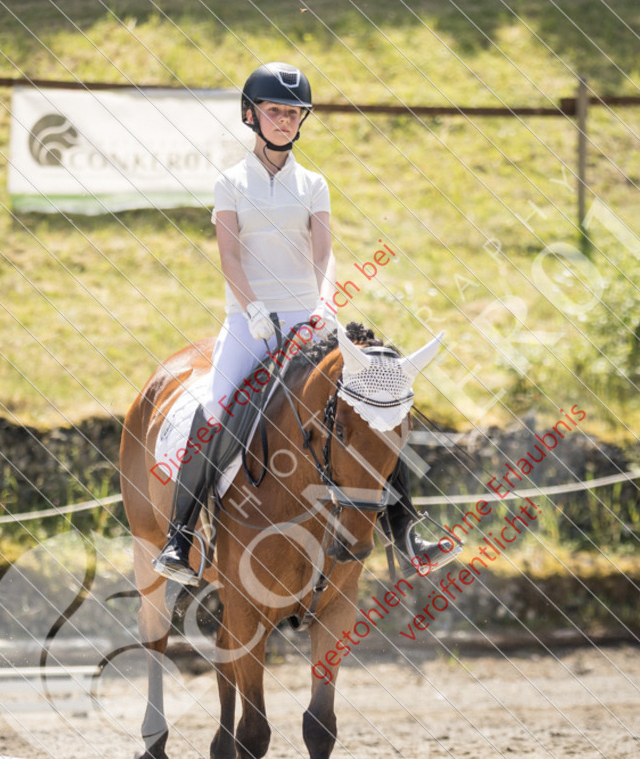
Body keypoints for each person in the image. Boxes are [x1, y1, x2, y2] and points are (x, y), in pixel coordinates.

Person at [153, 62, 462, 585]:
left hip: (310, 320)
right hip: (248, 321)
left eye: (293, 113)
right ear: (251, 115)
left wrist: (324, 304)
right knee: (214, 408)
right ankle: (180, 537)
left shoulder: (313, 183)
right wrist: (251, 308)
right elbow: (229, 257)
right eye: (274, 111)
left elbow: (325, 253)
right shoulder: (230, 182)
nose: (284, 120)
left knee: (372, 403)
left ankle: (409, 532)